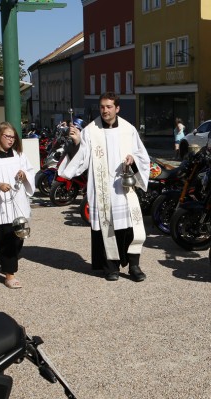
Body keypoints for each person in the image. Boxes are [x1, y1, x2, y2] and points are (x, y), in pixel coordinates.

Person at [60, 92, 151, 282]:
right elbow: (82, 158)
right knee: (107, 229)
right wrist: (77, 141)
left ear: (117, 108)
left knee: (131, 229)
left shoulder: (128, 129)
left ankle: (134, 266)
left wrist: (133, 159)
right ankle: (111, 268)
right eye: (102, 107)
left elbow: (142, 155)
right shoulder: (91, 130)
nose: (105, 110)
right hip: (102, 190)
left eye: (109, 107)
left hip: (124, 189)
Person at [0, 122, 35, 289]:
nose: (11, 140)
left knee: (18, 238)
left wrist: (24, 174)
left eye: (13, 137)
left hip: (17, 203)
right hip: (1, 206)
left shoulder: (19, 155)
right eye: (7, 136)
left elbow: (30, 171)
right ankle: (9, 275)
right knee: (5, 239)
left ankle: (8, 263)